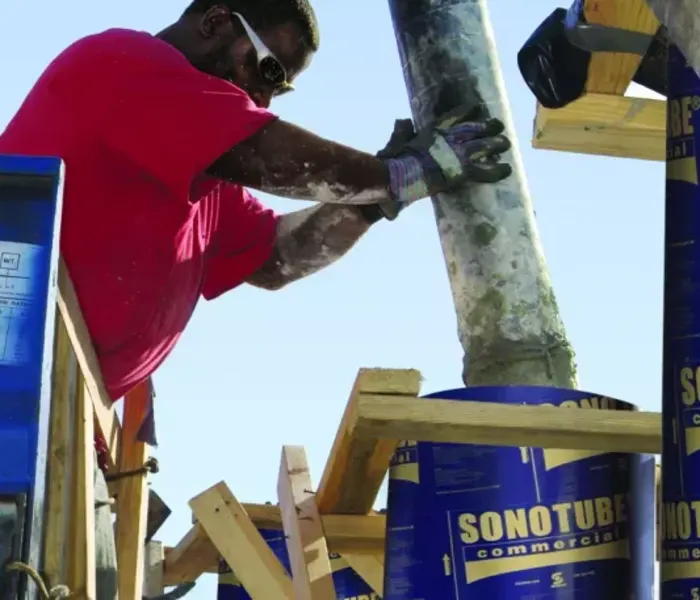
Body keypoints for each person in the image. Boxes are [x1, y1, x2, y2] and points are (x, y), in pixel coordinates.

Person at [0, 0, 512, 596]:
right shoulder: (123, 63)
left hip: (66, 425)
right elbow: (269, 156)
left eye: (281, 89)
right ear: (215, 22)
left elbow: (275, 258)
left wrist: (379, 198)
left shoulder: (204, 171)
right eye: (267, 70)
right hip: (22, 398)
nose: (264, 100)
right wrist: (395, 171)